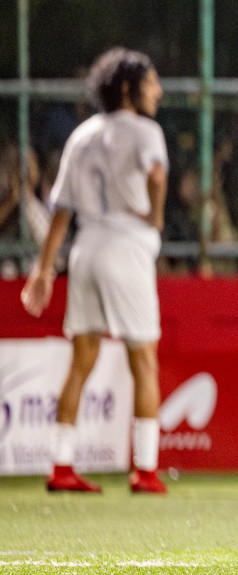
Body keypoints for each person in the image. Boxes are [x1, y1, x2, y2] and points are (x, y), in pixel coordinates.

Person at [23, 48, 170, 495]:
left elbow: (61, 212)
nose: (159, 91)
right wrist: (155, 215)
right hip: (126, 246)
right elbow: (158, 174)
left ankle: (61, 465)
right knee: (143, 359)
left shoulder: (82, 135)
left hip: (85, 249)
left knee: (81, 360)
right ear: (129, 89)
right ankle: (145, 470)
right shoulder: (146, 131)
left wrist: (43, 271)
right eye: (151, 83)